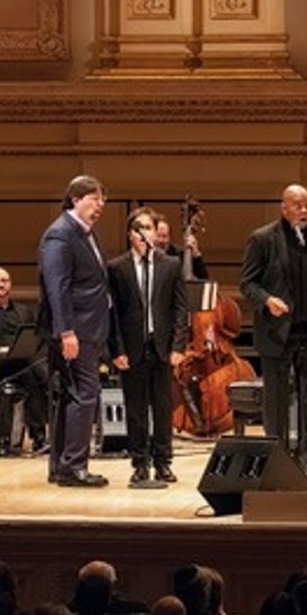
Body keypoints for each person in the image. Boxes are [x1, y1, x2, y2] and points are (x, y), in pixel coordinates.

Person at [240, 184, 307, 481]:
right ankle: (278, 457)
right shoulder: (263, 239)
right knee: (276, 399)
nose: (303, 211)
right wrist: (266, 300)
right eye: (297, 205)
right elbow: (247, 284)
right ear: (283, 206)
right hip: (277, 332)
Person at [38, 175, 112, 488]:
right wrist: (66, 331)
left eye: (102, 202)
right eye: (94, 200)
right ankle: (73, 466)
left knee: (74, 397)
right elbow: (58, 287)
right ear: (75, 199)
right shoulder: (60, 235)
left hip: (88, 327)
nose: (100, 207)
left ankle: (62, 466)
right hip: (76, 330)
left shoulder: (83, 233)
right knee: (84, 395)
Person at [108, 207, 190, 487]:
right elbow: (114, 314)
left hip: (162, 347)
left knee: (164, 407)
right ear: (130, 235)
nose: (144, 234)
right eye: (138, 229)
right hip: (132, 348)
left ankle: (163, 462)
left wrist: (178, 345)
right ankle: (139, 463)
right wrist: (116, 349)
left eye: (148, 228)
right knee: (135, 408)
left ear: (156, 233)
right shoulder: (117, 267)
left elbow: (181, 309)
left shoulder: (171, 265)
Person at [0, 266, 48, 453]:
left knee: (33, 370)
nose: (1, 284)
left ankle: (41, 435)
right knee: (34, 375)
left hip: (21, 364)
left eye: (5, 280)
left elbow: (36, 340)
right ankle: (39, 436)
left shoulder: (23, 311)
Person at [154, 213, 208, 281]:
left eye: (164, 236)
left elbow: (203, 278)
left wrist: (196, 254)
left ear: (170, 238)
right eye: (158, 235)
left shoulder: (179, 255)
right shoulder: (144, 254)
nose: (161, 240)